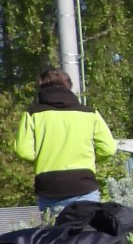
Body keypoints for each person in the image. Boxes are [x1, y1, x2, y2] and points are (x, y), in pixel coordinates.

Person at [15, 68, 117, 215]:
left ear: (40, 87)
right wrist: (88, 160)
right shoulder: (89, 113)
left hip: (49, 186)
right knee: (86, 235)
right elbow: (108, 148)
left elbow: (22, 150)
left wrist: (45, 158)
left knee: (53, 236)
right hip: (83, 183)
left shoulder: (33, 114)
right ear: (69, 86)